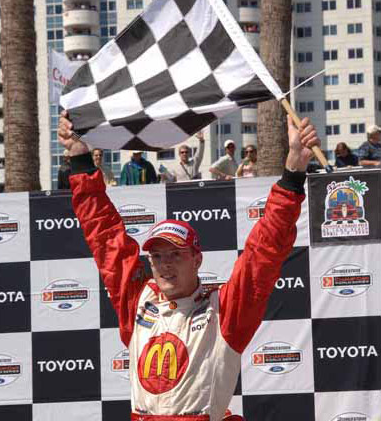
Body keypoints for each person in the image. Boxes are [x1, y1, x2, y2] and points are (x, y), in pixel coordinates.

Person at [58, 109, 319, 421]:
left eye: (175, 255)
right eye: (157, 256)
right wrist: (80, 159)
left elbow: (264, 252)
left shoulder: (224, 310)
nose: (165, 265)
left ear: (197, 260)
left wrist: (293, 174)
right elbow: (104, 235)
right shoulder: (137, 299)